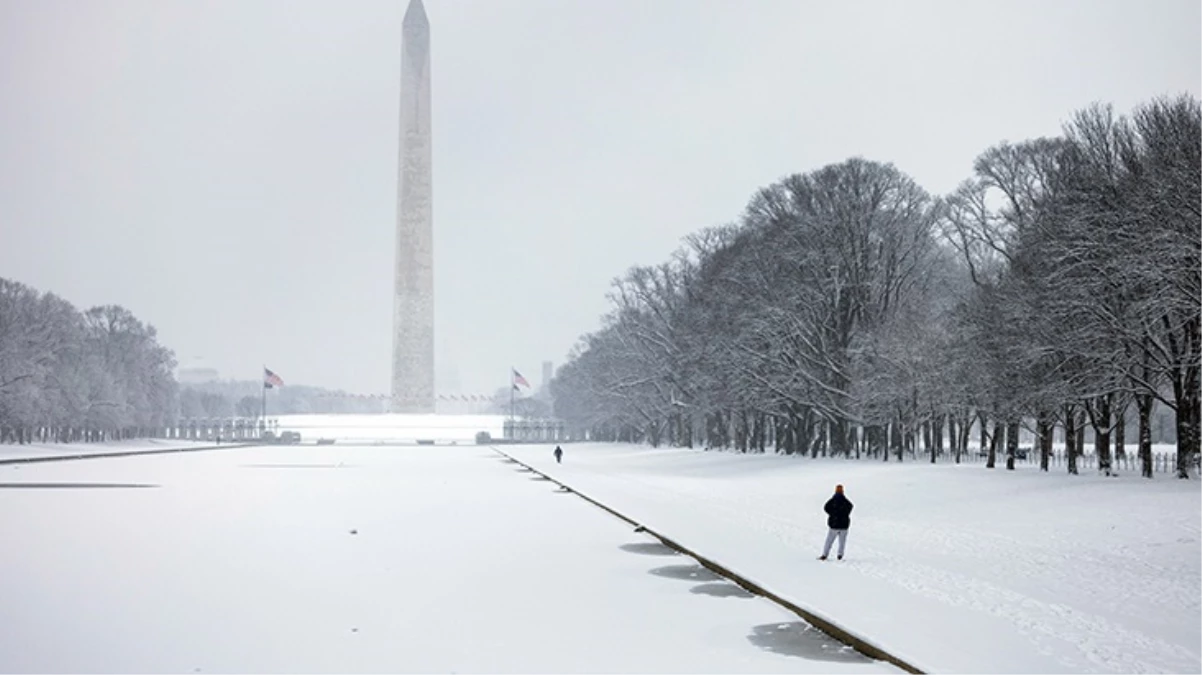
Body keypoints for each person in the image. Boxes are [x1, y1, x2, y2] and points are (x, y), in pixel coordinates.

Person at [819, 484, 853, 561]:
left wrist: (832, 514)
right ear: (843, 491)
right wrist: (845, 514)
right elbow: (851, 506)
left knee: (829, 541)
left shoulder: (833, 500)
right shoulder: (845, 501)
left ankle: (824, 555)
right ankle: (840, 555)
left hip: (834, 525)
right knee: (842, 542)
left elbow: (826, 507)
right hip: (844, 525)